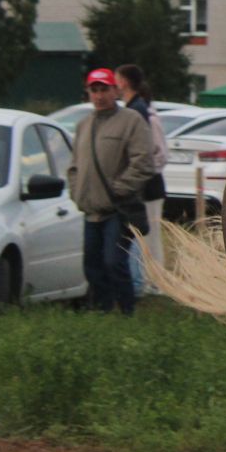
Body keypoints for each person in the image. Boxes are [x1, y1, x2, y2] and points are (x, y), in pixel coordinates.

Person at [67, 67, 159, 314]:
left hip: (118, 209)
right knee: (92, 265)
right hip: (91, 210)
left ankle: (127, 311)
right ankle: (102, 311)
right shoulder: (83, 125)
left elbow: (144, 162)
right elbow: (74, 165)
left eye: (104, 89)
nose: (99, 95)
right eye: (94, 90)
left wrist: (120, 189)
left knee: (114, 262)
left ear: (115, 90)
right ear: (88, 93)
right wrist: (77, 193)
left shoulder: (131, 121)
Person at [115, 64, 169, 295]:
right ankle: (144, 278)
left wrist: (144, 172)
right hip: (140, 186)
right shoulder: (132, 109)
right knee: (140, 235)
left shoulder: (142, 112)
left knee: (151, 236)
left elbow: (158, 152)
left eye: (117, 80)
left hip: (149, 187)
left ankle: (156, 282)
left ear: (124, 82)